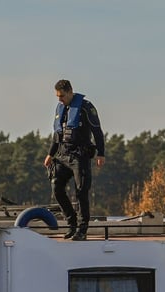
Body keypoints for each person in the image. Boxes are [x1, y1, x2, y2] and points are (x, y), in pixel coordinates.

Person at [44, 79, 106, 241]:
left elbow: (97, 131)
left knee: (81, 191)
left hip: (80, 155)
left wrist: (101, 153)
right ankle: (71, 223)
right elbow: (57, 134)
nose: (60, 99)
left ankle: (82, 229)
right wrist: (50, 154)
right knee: (56, 187)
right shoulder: (60, 108)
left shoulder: (86, 108)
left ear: (70, 92)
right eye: (57, 96)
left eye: (62, 96)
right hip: (63, 154)